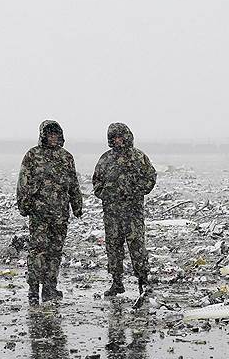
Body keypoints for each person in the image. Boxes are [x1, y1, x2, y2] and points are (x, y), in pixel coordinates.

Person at [17, 120, 82, 304]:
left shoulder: (66, 157)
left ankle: (50, 288)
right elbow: (23, 182)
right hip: (39, 213)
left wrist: (77, 205)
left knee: (55, 252)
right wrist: (23, 204)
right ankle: (33, 288)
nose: (53, 137)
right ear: (44, 136)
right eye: (50, 134)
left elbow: (73, 183)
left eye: (56, 134)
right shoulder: (33, 155)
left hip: (60, 214)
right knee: (38, 251)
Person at [93, 122, 156, 296]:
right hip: (112, 213)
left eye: (120, 137)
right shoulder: (105, 159)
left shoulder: (138, 157)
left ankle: (143, 281)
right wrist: (106, 193)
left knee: (137, 247)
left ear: (127, 137)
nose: (118, 140)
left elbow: (150, 177)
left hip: (133, 212)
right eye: (114, 138)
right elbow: (96, 182)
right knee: (113, 247)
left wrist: (136, 191)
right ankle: (116, 282)